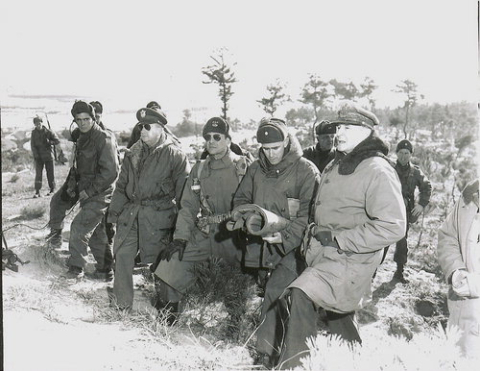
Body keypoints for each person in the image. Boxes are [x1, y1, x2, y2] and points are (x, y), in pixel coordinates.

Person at [276, 101, 406, 369]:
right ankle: (353, 362)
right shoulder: (339, 162)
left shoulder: (377, 169)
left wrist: (340, 240)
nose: (340, 133)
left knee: (300, 294)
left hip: (350, 258)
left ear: (367, 131)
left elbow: (393, 226)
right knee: (339, 315)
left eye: (348, 127)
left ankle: (295, 365)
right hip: (327, 255)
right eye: (338, 126)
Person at [232, 117, 319, 368]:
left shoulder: (306, 170)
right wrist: (252, 218)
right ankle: (273, 352)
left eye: (276, 148)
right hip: (263, 246)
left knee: (275, 292)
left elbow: (309, 216)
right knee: (272, 292)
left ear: (287, 142)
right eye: (265, 149)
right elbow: (241, 199)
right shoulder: (255, 169)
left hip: (297, 247)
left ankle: (269, 356)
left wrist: (285, 235)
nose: (270, 154)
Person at [152, 116, 249, 322]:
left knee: (238, 282)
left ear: (228, 140)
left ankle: (236, 326)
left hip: (234, 235)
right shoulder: (200, 169)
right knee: (171, 265)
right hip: (204, 234)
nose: (211, 141)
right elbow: (188, 207)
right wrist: (181, 238)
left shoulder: (242, 167)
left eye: (217, 137)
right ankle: (168, 319)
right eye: (208, 137)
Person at [107, 106, 190, 310]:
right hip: (131, 214)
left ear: (161, 128)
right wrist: (112, 216)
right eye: (140, 126)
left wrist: (182, 230)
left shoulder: (175, 155)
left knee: (162, 265)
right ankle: (121, 306)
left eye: (147, 126)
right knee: (123, 256)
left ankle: (168, 311)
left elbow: (185, 197)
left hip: (159, 219)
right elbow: (121, 186)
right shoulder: (133, 153)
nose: (142, 130)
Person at [57, 100, 119, 279]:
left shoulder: (104, 138)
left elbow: (111, 172)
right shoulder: (82, 138)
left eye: (86, 119)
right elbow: (80, 168)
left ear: (94, 118)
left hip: (101, 193)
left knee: (79, 227)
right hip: (87, 192)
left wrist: (90, 191)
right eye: (78, 120)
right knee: (96, 234)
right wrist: (74, 187)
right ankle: (106, 269)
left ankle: (76, 269)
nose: (83, 123)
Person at [437, 179, 479, 359]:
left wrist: (475, 284)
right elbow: (448, 236)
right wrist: (455, 270)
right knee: (457, 359)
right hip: (463, 311)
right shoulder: (470, 196)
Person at [393, 139, 432, 283]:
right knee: (380, 239)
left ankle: (399, 271)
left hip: (404, 211)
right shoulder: (389, 168)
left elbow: (426, 186)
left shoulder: (415, 172)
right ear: (396, 153)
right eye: (401, 153)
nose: (404, 156)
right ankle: (372, 270)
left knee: (402, 240)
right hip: (386, 208)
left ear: (411, 155)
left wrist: (421, 204)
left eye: (407, 153)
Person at [30, 115, 60, 197]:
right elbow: (32, 145)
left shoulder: (48, 132)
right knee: (38, 174)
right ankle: (37, 192)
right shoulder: (33, 133)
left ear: (42, 123)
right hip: (39, 157)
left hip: (48, 156)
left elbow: (57, 141)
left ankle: (52, 190)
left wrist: (50, 142)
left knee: (50, 174)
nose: (38, 125)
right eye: (36, 123)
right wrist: (36, 155)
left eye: (39, 123)